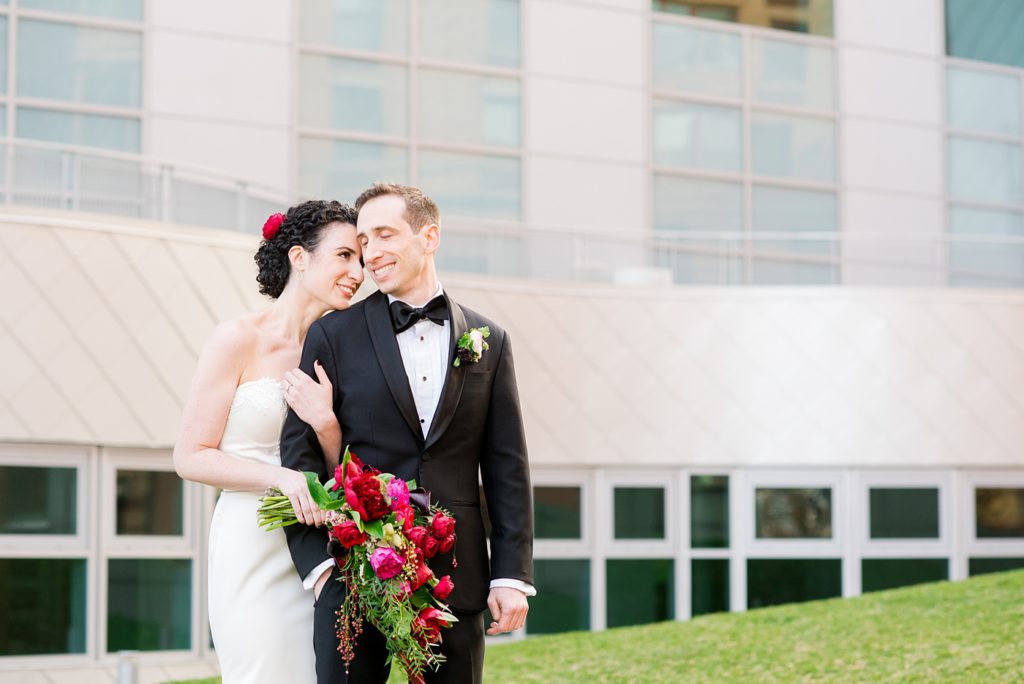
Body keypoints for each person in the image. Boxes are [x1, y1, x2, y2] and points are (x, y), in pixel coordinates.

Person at [281, 183, 535, 684]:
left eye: (384, 235)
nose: (371, 254)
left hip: (456, 577)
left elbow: (507, 467)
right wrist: (319, 568)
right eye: (363, 240)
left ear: (429, 237)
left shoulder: (490, 341)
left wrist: (511, 576)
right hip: (354, 573)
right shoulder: (332, 335)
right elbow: (299, 454)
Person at [174, 200, 363, 683]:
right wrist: (281, 478)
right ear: (300, 258)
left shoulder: (343, 347)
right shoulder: (236, 338)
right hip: (251, 543)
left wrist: (326, 425)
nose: (358, 272)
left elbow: (342, 464)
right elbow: (191, 457)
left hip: (319, 549)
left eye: (360, 258)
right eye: (344, 256)